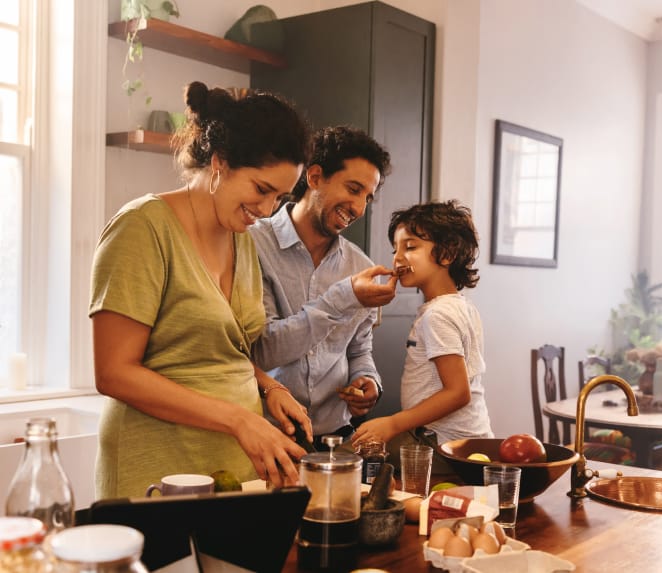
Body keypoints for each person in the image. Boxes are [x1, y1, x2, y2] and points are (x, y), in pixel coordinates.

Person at [89, 82, 314, 499]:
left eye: (280, 198)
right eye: (261, 189)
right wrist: (239, 420)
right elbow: (113, 372)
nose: (267, 210)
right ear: (219, 162)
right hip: (156, 468)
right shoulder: (142, 228)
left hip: (233, 469)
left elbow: (216, 349)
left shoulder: (242, 238)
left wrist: (268, 386)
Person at [250, 125, 395, 450]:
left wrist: (368, 382)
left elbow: (359, 350)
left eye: (367, 198)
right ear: (314, 177)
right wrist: (343, 297)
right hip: (266, 438)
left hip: (335, 439)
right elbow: (263, 350)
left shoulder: (360, 266)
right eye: (353, 189)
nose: (358, 208)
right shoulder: (252, 245)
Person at [351, 200, 493, 472]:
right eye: (396, 249)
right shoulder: (459, 305)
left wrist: (392, 424)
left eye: (411, 246)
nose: (397, 257)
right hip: (461, 443)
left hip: (442, 447)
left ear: (447, 254)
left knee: (353, 460)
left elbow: (458, 393)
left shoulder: (437, 315)